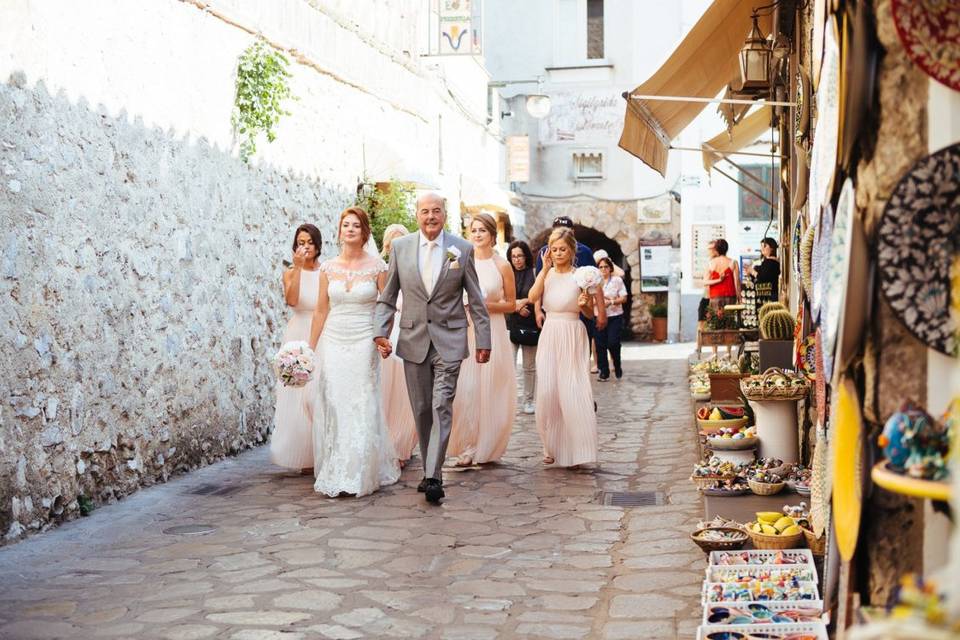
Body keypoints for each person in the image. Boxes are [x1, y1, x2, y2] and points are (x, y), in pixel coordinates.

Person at [373, 192, 491, 504]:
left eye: (436, 211)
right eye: (425, 211)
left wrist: (484, 340)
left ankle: (433, 476)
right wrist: (380, 332)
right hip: (413, 339)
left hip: (450, 340)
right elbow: (388, 295)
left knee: (441, 405)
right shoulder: (400, 248)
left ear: (444, 214)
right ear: (417, 215)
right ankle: (430, 467)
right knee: (422, 409)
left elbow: (476, 300)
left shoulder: (461, 249)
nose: (430, 217)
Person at [307, 208, 400, 497]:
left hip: (364, 340)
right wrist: (309, 349)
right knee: (334, 401)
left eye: (356, 226)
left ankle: (360, 471)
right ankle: (336, 466)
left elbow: (386, 306)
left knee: (361, 400)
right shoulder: (328, 269)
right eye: (345, 225)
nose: (350, 229)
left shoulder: (377, 267)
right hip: (334, 340)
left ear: (364, 232)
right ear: (339, 231)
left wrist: (381, 337)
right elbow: (321, 310)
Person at [527, 228, 606, 468]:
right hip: (550, 333)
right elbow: (532, 297)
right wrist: (543, 269)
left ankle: (578, 447)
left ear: (572, 251)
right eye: (554, 249)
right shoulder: (547, 274)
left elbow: (589, 313)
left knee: (572, 390)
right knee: (548, 391)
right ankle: (549, 444)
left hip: (572, 333)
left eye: (562, 249)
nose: (558, 253)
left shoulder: (580, 276)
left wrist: (584, 304)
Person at [449, 213, 517, 465]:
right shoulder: (460, 261)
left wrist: (481, 305)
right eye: (473, 230)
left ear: (492, 235)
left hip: (492, 330)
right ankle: (467, 445)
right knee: (465, 390)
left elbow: (511, 304)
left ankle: (488, 446)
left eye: (482, 230)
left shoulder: (502, 266)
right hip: (465, 332)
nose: (477, 235)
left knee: (490, 388)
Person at [271, 223, 322, 473]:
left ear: (317, 245)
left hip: (321, 331)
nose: (306, 247)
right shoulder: (290, 272)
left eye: (310, 242)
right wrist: (299, 269)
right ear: (295, 246)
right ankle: (303, 455)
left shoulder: (326, 271)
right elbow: (291, 300)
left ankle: (320, 450)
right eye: (301, 242)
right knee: (296, 393)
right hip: (297, 332)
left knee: (317, 393)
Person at [379, 224, 418, 465]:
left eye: (401, 241)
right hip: (386, 342)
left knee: (405, 395)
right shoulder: (379, 271)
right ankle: (386, 443)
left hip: (409, 338)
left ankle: (402, 445)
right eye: (392, 242)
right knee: (385, 396)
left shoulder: (414, 272)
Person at [507, 240, 538, 415]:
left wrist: (522, 303)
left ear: (526, 256)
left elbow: (538, 294)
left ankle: (529, 400)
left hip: (529, 325)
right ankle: (508, 400)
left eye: (520, 256)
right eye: (513, 256)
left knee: (529, 367)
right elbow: (502, 297)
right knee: (508, 365)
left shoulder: (533, 273)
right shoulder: (506, 273)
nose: (517, 260)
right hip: (510, 325)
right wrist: (516, 307)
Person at [595, 257, 627, 381]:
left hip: (614, 316)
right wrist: (599, 303)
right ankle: (604, 372)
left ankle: (617, 365)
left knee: (613, 343)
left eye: (606, 267)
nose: (603, 269)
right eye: (601, 267)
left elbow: (624, 298)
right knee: (600, 345)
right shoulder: (594, 282)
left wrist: (612, 301)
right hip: (598, 316)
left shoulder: (617, 280)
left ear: (610, 268)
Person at [704, 238, 740, 311]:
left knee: (716, 321)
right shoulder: (733, 262)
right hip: (730, 297)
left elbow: (705, 282)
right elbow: (737, 283)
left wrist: (718, 280)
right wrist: (739, 297)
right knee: (730, 321)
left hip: (715, 297)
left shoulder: (710, 263)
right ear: (727, 249)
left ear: (716, 250)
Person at [750, 237, 781, 304]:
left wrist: (753, 272)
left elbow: (763, 277)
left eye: (764, 246)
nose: (762, 248)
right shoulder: (767, 262)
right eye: (761, 246)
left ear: (772, 248)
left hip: (770, 297)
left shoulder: (771, 262)